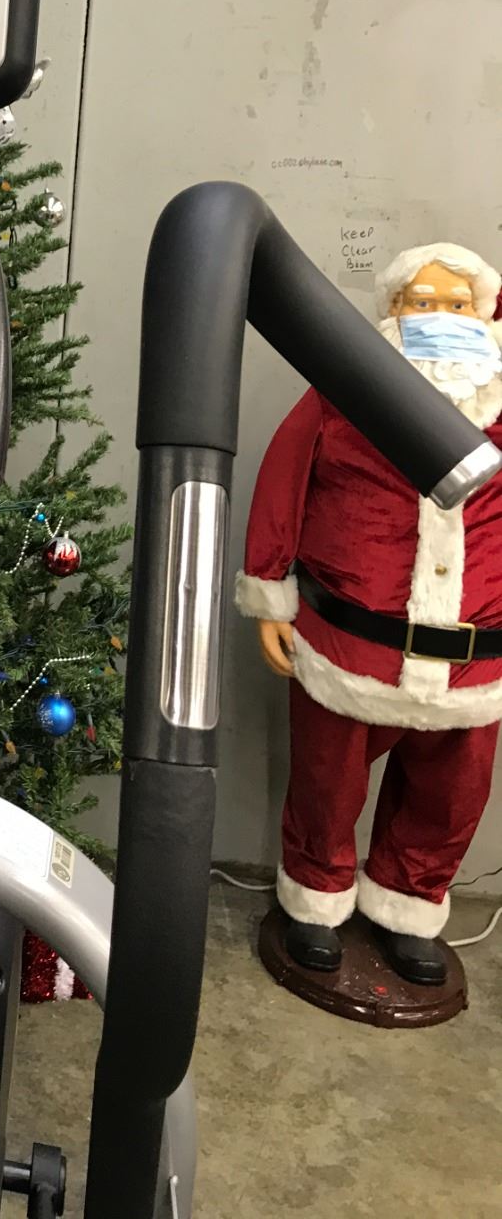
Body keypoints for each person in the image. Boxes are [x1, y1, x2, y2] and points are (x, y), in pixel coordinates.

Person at [237, 243, 502, 985]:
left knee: (449, 793)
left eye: (456, 304)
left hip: (476, 653)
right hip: (350, 640)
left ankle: (408, 904)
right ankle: (314, 897)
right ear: (393, 311)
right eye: (423, 303)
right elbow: (284, 479)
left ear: (487, 313)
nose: (440, 317)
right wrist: (268, 593)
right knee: (327, 779)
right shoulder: (343, 390)